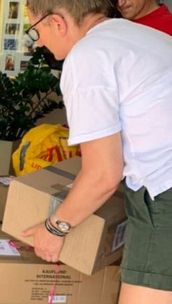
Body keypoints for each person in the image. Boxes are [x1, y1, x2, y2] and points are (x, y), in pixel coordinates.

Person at [19, 0, 172, 303]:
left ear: (57, 23)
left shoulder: (89, 55)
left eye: (36, 32)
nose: (40, 44)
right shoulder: (149, 38)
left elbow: (104, 174)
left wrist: (55, 228)